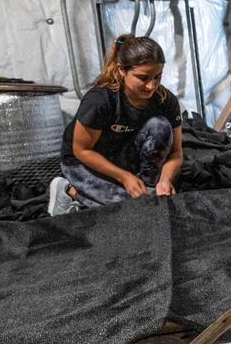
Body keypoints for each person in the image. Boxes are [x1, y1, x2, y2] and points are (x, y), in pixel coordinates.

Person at [47, 34, 184, 214]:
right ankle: (67, 189)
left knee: (160, 125)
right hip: (83, 162)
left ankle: (148, 185)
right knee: (129, 209)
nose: (151, 86)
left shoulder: (165, 100)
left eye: (157, 77)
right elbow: (81, 151)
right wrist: (124, 177)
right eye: (142, 78)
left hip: (123, 156)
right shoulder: (100, 100)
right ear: (122, 70)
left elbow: (176, 152)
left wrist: (165, 180)